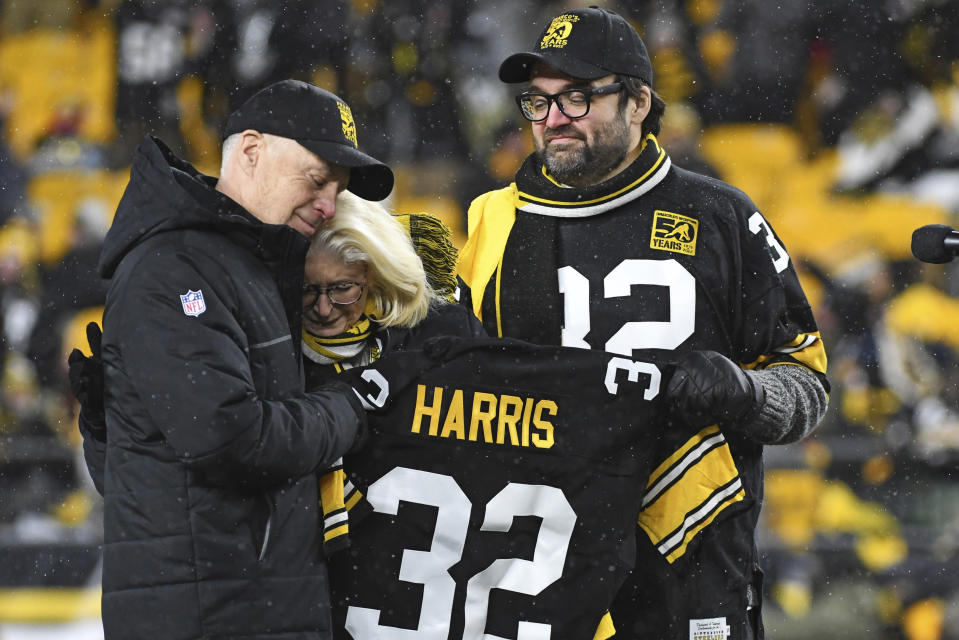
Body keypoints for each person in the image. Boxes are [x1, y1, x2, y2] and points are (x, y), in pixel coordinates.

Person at [456, 7, 829, 639]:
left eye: (577, 97)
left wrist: (745, 393)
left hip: (691, 559)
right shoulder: (493, 218)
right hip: (538, 564)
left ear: (638, 102)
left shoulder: (721, 215)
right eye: (538, 101)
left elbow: (808, 386)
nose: (553, 119)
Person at [71, 79, 395, 640]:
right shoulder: (174, 268)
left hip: (250, 605)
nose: (328, 206)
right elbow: (227, 437)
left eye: (337, 192)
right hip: (213, 617)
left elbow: (146, 472)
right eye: (318, 181)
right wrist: (349, 406)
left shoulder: (250, 263)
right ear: (250, 151)